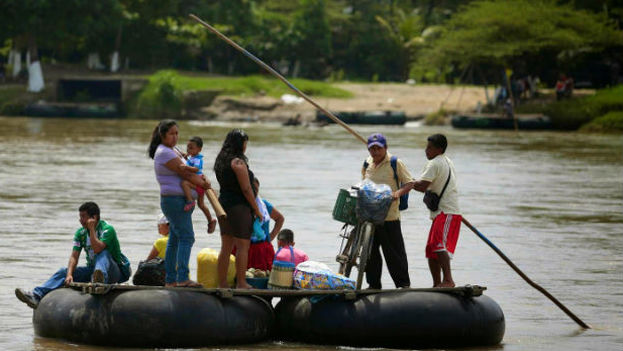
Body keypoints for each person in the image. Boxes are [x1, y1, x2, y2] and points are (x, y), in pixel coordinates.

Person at [15, 202, 129, 308]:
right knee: (63, 272)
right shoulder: (81, 233)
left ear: (93, 218)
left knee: (103, 253)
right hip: (93, 269)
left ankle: (98, 281)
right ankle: (36, 295)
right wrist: (69, 274)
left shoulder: (107, 229)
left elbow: (97, 249)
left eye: (83, 217)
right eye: (80, 217)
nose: (80, 220)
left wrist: (92, 229)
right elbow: (74, 256)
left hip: (114, 271)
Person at [148, 119, 213, 288]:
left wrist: (201, 179)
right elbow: (187, 175)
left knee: (175, 240)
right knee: (187, 237)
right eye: (172, 134)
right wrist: (202, 184)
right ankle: (182, 277)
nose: (175, 137)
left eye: (177, 133)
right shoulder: (164, 152)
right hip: (174, 201)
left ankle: (171, 280)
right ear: (163, 135)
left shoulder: (173, 150)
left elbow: (192, 169)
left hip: (177, 200)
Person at [396, 134, 461, 288]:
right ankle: (437, 283)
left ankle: (448, 280)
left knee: (438, 245)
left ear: (439, 149)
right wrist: (412, 182)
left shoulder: (434, 164)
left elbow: (422, 186)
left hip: (446, 212)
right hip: (441, 213)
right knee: (431, 248)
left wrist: (408, 183)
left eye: (429, 147)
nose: (426, 150)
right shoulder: (446, 161)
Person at [361, 133, 413, 289]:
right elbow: (364, 184)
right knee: (370, 253)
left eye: (378, 148)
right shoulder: (367, 163)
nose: (375, 152)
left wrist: (397, 193)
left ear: (385, 148)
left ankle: (403, 285)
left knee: (394, 253)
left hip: (389, 216)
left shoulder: (395, 163)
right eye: (372, 149)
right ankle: (373, 285)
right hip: (370, 216)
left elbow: (409, 183)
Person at [214, 129, 262, 289]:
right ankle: (241, 282)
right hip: (238, 207)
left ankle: (222, 283)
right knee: (243, 246)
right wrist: (256, 209)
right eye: (245, 143)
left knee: (226, 246)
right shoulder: (238, 162)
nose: (246, 146)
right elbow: (246, 189)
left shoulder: (221, 160)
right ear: (240, 144)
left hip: (223, 204)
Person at [180, 136, 217, 234]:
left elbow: (196, 169)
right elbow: (189, 158)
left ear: (199, 149)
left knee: (184, 183)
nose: (188, 150)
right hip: (199, 182)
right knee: (201, 205)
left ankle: (190, 200)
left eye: (191, 148)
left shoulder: (198, 159)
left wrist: (185, 167)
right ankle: (210, 219)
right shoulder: (193, 157)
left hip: (198, 183)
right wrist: (186, 156)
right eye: (188, 147)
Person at [247, 178, 284, 270]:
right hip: (244, 248)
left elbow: (280, 219)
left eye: (256, 189)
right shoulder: (241, 205)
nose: (253, 191)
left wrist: (271, 236)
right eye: (251, 188)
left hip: (263, 249)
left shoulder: (264, 205)